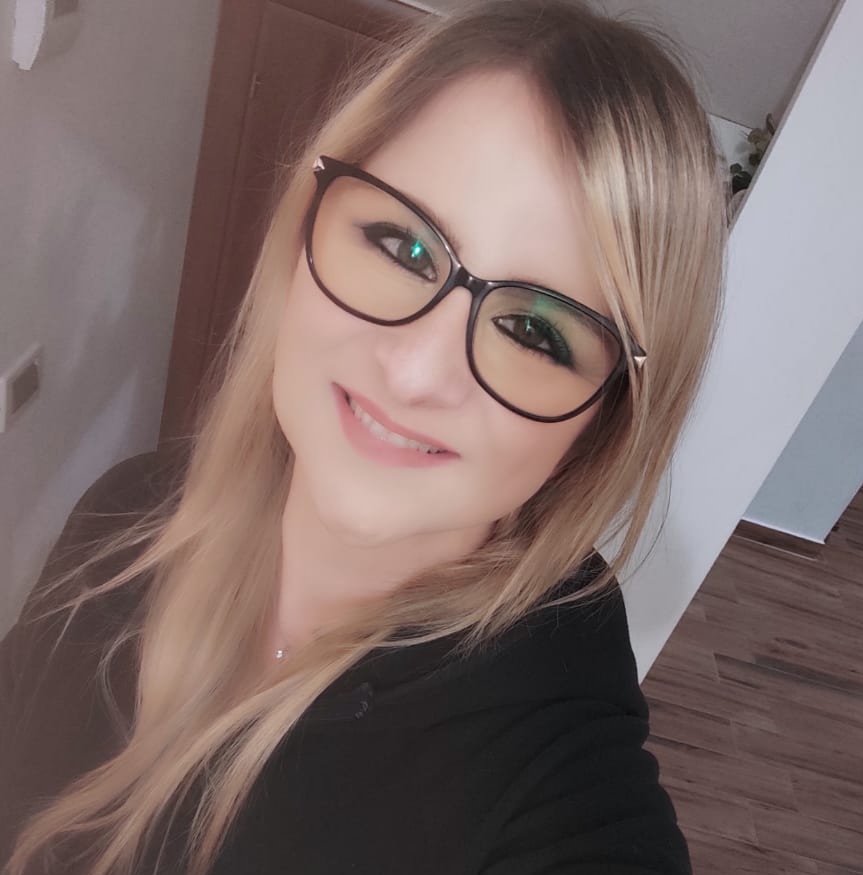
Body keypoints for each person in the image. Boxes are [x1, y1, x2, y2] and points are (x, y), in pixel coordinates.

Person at [0, 1, 726, 873]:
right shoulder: (126, 515)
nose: (415, 371)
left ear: (602, 422)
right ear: (306, 224)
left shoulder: (552, 779)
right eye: (402, 246)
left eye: (534, 333)